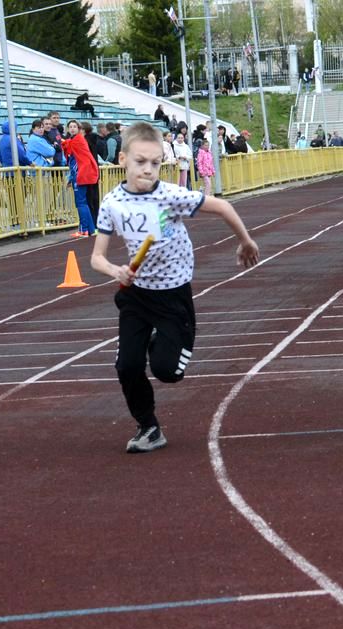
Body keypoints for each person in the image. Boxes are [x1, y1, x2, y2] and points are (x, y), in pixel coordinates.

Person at [89, 121, 259, 453]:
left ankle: (162, 339)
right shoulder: (112, 202)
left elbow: (223, 206)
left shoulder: (170, 195)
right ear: (122, 159)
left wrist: (245, 240)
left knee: (168, 371)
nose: (148, 169)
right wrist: (115, 270)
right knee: (127, 366)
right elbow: (97, 258)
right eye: (140, 161)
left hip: (173, 296)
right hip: (136, 295)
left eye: (155, 163)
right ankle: (148, 427)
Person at [61, 119, 99, 236]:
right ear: (68, 129)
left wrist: (61, 142)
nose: (72, 129)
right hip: (78, 174)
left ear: (78, 129)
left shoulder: (78, 140)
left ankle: (83, 230)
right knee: (84, 202)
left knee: (80, 203)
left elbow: (76, 156)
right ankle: (91, 229)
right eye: (70, 127)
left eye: (74, 127)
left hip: (80, 175)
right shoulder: (74, 140)